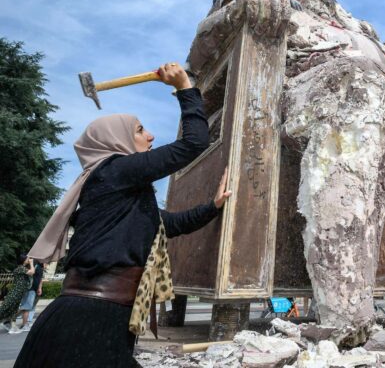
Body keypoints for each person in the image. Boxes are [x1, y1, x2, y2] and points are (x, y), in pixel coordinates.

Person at [15, 62, 232, 368]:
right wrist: (185, 87)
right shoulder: (114, 170)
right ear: (115, 140)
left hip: (100, 317)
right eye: (140, 130)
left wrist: (214, 206)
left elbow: (171, 224)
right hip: (87, 321)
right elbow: (194, 142)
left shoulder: (122, 195)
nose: (151, 136)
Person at [0, 255, 35, 333]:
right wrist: (32, 263)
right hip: (16, 292)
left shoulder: (21, 268)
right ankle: (11, 326)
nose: (28, 260)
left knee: (12, 309)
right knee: (6, 308)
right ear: (23, 260)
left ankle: (12, 327)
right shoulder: (20, 268)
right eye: (27, 259)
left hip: (18, 292)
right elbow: (32, 272)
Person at [16, 260, 43, 332]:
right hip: (29, 289)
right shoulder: (33, 264)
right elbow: (31, 273)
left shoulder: (40, 266)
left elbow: (40, 278)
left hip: (34, 289)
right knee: (26, 307)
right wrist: (31, 263)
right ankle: (24, 325)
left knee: (26, 307)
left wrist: (39, 288)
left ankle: (9, 318)